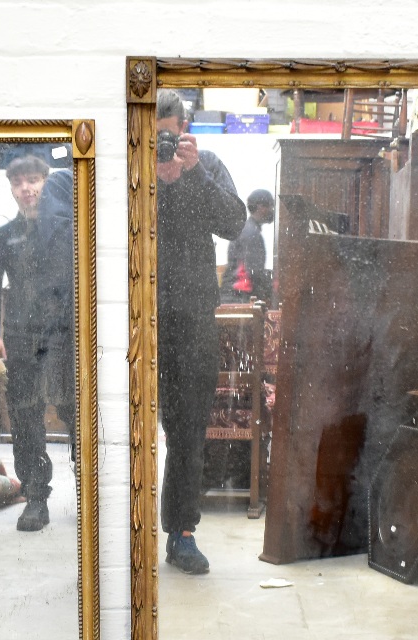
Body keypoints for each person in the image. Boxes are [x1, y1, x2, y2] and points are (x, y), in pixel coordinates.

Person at [155, 90, 247, 573]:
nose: (162, 148)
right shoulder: (131, 170)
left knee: (189, 429)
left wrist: (192, 174)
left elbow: (235, 222)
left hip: (192, 318)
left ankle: (182, 532)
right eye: (152, 140)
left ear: (184, 127)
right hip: (137, 317)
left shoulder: (206, 163)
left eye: (168, 137)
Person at [0, 155, 75, 532]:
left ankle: (89, 489)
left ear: (45, 182)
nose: (28, 188)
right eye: (19, 182)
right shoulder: (2, 237)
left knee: (75, 413)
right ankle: (36, 498)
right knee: (25, 419)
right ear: (12, 189)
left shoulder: (68, 232)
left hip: (65, 337)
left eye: (34, 180)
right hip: (20, 338)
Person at [220, 189, 275, 302]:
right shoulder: (252, 234)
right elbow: (254, 272)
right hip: (239, 298)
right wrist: (272, 292)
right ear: (261, 207)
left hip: (231, 295)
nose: (272, 210)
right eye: (271, 206)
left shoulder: (246, 228)